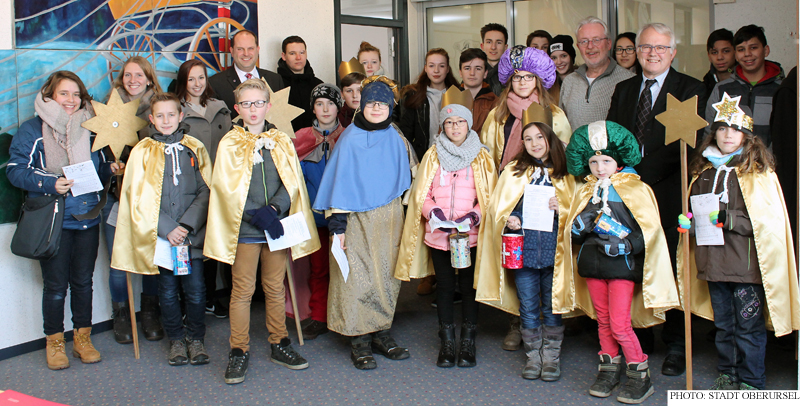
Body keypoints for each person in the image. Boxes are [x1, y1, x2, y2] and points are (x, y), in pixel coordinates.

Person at [678, 97, 800, 390]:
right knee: (724, 327)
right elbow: (697, 214)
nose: (728, 135)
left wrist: (729, 218)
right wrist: (689, 225)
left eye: (735, 129)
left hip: (746, 269)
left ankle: (751, 379)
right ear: (714, 133)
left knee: (748, 327)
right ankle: (727, 373)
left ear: (746, 135)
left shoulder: (758, 174)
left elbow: (766, 223)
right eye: (722, 129)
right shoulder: (703, 173)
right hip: (713, 266)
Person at [204, 78, 320, 384]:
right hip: (245, 229)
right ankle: (238, 349)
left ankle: (278, 342)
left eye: (258, 103)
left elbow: (290, 181)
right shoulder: (230, 142)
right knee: (242, 290)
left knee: (275, 287)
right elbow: (225, 188)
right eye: (246, 104)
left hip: (275, 225)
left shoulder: (280, 140)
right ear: (237, 108)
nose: (253, 109)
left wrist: (274, 210)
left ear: (268, 106)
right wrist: (251, 213)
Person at [606, 22, 706, 376]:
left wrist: (644, 171)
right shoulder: (624, 88)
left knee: (674, 266)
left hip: (670, 191)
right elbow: (613, 135)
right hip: (629, 193)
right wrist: (625, 172)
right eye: (646, 47)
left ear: (673, 52)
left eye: (660, 48)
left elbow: (691, 143)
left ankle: (677, 343)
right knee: (635, 261)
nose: (652, 53)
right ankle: (642, 332)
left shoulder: (691, 89)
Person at [564, 121, 678, 403]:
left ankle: (640, 373)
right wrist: (580, 223)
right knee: (602, 320)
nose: (600, 167)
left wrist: (626, 244)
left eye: (606, 160)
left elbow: (648, 232)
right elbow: (574, 236)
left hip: (621, 266)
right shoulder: (585, 191)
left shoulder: (635, 189)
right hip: (592, 265)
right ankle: (608, 368)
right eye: (593, 161)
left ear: (618, 160)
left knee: (619, 323)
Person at [7, 71, 111, 369]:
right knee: (55, 286)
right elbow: (15, 170)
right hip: (54, 222)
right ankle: (54, 342)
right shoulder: (32, 129)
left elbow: (98, 172)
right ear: (49, 95)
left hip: (87, 218)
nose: (71, 100)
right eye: (64, 93)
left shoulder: (90, 128)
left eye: (76, 94)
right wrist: (51, 182)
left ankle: (82, 338)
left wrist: (110, 169)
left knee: (83, 282)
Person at [313, 76, 417, 370]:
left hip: (389, 219)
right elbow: (338, 187)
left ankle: (382, 332)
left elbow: (415, 177)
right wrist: (338, 230)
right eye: (371, 102)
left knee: (386, 278)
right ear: (361, 104)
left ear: (390, 108)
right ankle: (359, 340)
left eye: (383, 104)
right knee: (355, 279)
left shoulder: (397, 137)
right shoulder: (349, 140)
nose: (376, 108)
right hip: (354, 220)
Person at [474, 104, 576, 381]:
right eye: (528, 138)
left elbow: (578, 209)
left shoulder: (566, 172)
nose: (534, 144)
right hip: (524, 253)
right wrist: (511, 218)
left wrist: (562, 207)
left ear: (550, 138)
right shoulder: (514, 171)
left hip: (554, 253)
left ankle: (551, 358)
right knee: (528, 306)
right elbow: (500, 208)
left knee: (551, 307)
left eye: (539, 137)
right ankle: (533, 357)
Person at [111, 92, 211, 366]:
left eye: (171, 114)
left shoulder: (195, 148)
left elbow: (207, 189)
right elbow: (137, 197)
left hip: (191, 238)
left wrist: (187, 225)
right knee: (167, 291)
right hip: (163, 239)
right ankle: (176, 340)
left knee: (195, 290)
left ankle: (196, 338)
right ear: (151, 119)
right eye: (160, 115)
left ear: (180, 116)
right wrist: (167, 228)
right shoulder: (142, 151)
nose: (166, 120)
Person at [395, 102, 496, 368]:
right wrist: (433, 212)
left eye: (460, 122)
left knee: (467, 286)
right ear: (442, 126)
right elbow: (421, 195)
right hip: (439, 236)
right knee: (445, 286)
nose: (454, 127)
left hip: (468, 236)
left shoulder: (482, 157)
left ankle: (468, 339)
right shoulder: (432, 155)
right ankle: (447, 339)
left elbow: (488, 196)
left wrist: (474, 216)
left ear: (468, 124)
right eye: (449, 123)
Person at [104, 56, 165, 344]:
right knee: (119, 261)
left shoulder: (160, 109)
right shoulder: (107, 110)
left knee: (149, 257)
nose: (133, 80)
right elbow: (96, 150)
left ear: (149, 78)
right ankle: (122, 315)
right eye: (127, 75)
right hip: (115, 197)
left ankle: (150, 312)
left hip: (148, 196)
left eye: (138, 75)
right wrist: (110, 165)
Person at [175, 59, 233, 319]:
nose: (197, 84)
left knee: (213, 242)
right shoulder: (175, 110)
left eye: (201, 78)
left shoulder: (220, 107)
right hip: (190, 185)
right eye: (191, 79)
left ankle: (209, 297)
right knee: (189, 242)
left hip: (219, 183)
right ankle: (187, 302)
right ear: (183, 82)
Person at [292, 83, 346, 340]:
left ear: (339, 107)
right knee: (318, 269)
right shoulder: (299, 138)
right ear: (312, 107)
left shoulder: (349, 138)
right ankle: (318, 315)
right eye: (319, 104)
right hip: (312, 217)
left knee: (345, 268)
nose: (325, 109)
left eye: (331, 103)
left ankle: (345, 316)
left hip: (343, 218)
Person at [480, 45, 571, 172]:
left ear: (537, 80)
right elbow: (487, 155)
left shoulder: (554, 113)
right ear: (510, 81)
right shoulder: (497, 114)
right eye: (517, 77)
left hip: (544, 182)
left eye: (529, 76)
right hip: (507, 182)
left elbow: (563, 154)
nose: (523, 82)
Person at [704, 24, 783, 146]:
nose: (747, 54)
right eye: (741, 49)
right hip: (730, 164)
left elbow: (788, 134)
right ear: (735, 54)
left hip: (770, 164)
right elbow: (709, 134)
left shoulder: (781, 89)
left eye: (753, 48)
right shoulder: (722, 89)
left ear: (766, 50)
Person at [560, 17, 634, 130]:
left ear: (609, 44)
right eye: (584, 41)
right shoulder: (570, 81)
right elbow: (561, 129)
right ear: (578, 47)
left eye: (596, 40)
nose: (590, 46)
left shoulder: (629, 81)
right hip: (574, 148)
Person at [396, 48, 460, 160]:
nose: (436, 70)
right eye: (431, 66)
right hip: (423, 159)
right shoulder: (413, 95)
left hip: (452, 158)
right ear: (425, 68)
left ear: (448, 69)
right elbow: (406, 134)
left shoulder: (457, 95)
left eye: (441, 66)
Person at [208, 29, 285, 113]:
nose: (246, 53)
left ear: (257, 50)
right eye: (240, 49)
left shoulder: (275, 80)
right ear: (232, 51)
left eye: (250, 48)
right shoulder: (215, 83)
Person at [278, 35, 324, 131]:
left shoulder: (319, 85)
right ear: (284, 56)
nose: (298, 57)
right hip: (285, 141)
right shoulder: (276, 84)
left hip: (315, 141)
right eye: (292, 53)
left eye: (302, 53)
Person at [458, 48, 496, 134]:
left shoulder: (495, 103)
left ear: (485, 73)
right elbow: (442, 135)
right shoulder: (451, 100)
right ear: (460, 72)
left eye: (478, 68)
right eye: (467, 68)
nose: (472, 73)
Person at [702, 29, 737, 97]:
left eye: (726, 51)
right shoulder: (704, 87)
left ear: (735, 52)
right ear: (709, 56)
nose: (720, 57)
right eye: (714, 52)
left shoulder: (746, 83)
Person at [548, 34, 578, 106]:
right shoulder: (548, 85)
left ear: (571, 57)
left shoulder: (582, 81)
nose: (559, 62)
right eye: (554, 58)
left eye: (563, 56)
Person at [480, 23, 509, 96]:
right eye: (489, 42)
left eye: (498, 42)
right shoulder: (474, 72)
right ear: (482, 46)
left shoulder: (512, 74)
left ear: (505, 47)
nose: (493, 47)